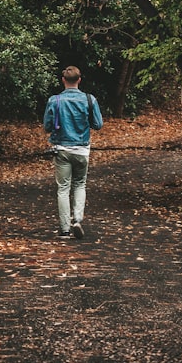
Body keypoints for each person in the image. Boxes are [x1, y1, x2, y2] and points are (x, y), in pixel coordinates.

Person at [42, 65, 104, 239]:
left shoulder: (54, 101)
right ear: (79, 80)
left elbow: (47, 127)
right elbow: (98, 124)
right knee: (80, 184)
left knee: (63, 188)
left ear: (63, 80)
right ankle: (77, 219)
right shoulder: (89, 99)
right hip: (82, 150)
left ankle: (64, 230)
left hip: (61, 149)